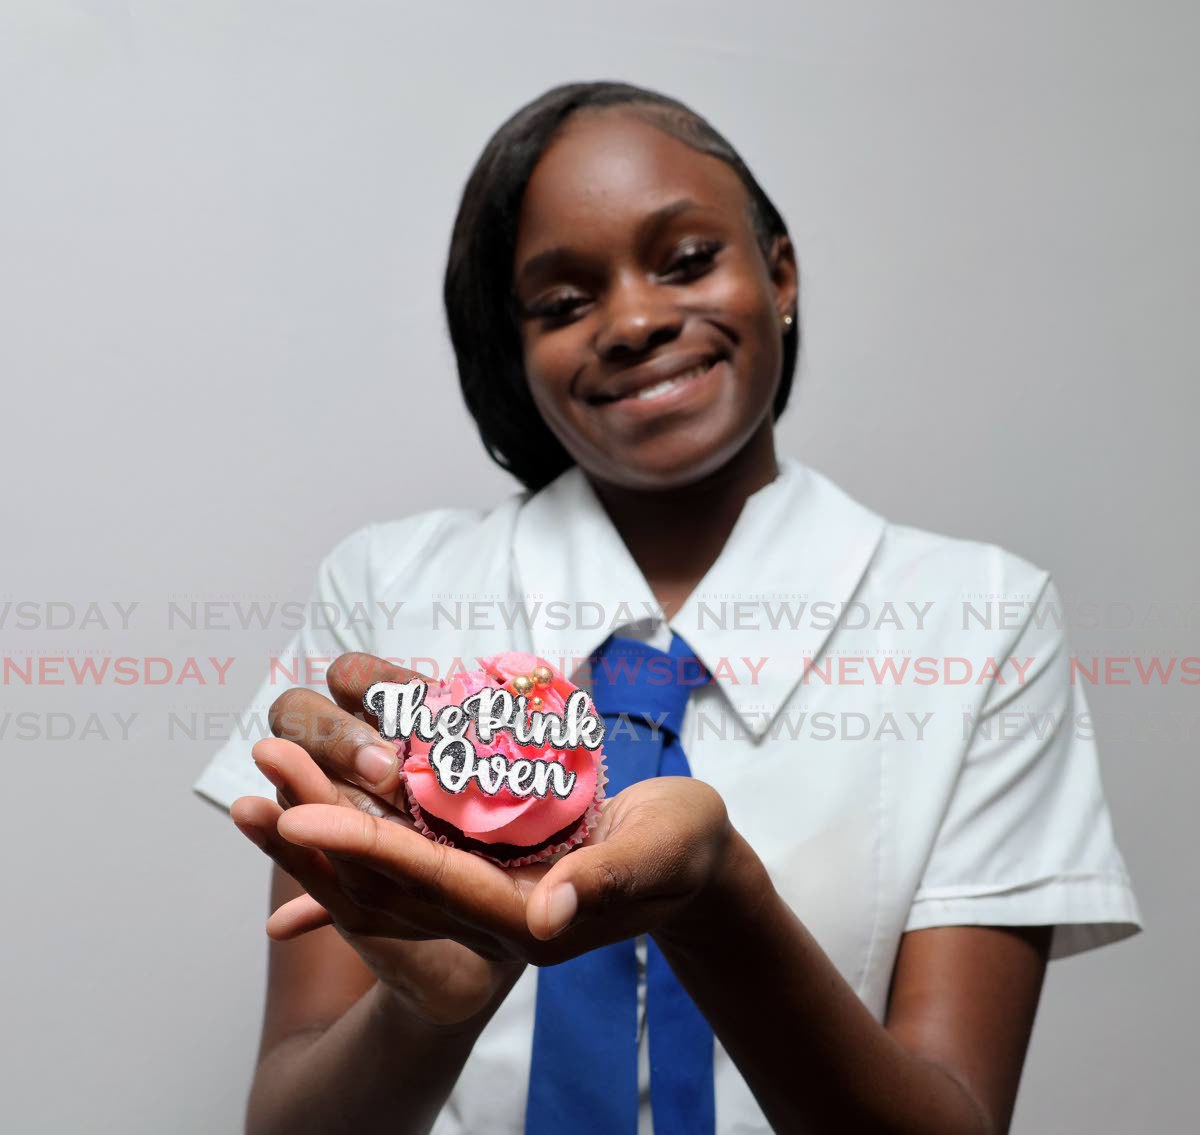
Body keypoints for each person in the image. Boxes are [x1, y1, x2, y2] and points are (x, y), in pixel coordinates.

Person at [195, 81, 1143, 1134]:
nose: (637, 320)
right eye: (562, 303)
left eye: (688, 259)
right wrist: (430, 1006)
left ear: (778, 271)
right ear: (512, 348)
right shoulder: (385, 592)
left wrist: (720, 902)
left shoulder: (984, 618)